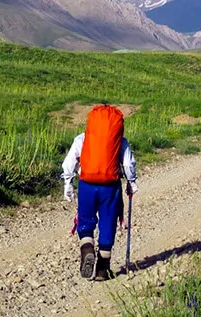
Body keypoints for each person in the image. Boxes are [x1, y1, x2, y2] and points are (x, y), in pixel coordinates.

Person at [62, 104, 138, 281]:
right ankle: (103, 270)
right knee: (108, 222)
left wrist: (68, 183)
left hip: (87, 185)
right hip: (110, 187)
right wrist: (131, 182)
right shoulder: (120, 141)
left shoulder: (82, 138)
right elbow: (128, 164)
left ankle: (87, 249)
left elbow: (69, 162)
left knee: (85, 220)